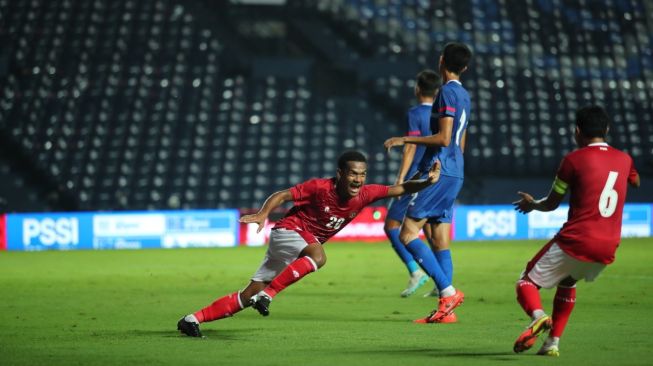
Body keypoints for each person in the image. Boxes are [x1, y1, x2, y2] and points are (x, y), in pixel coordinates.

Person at [177, 150, 441, 337]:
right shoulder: (319, 187)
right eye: (352, 174)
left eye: (362, 174)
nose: (358, 180)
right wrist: (263, 214)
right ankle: (268, 296)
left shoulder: (366, 193)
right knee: (319, 256)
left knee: (246, 297)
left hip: (295, 244)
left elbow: (400, 189)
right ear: (340, 174)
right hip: (288, 232)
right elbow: (283, 195)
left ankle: (192, 320)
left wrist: (427, 182)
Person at [511, 105, 640, 356]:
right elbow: (634, 181)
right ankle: (552, 343)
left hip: (577, 239)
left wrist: (532, 205)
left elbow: (551, 203)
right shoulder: (625, 159)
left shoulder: (573, 160)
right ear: (607, 130)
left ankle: (538, 317)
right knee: (568, 281)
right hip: (609, 244)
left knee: (525, 282)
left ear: (577, 131)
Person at [384, 42, 472, 323]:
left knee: (407, 234)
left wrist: (405, 139)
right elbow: (460, 140)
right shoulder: (465, 95)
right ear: (465, 67)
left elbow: (444, 138)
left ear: (442, 60)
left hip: (440, 170)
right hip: (455, 169)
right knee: (439, 239)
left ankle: (447, 292)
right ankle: (447, 311)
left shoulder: (446, 91)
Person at [384, 69, 439, 297]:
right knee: (430, 232)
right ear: (437, 93)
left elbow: (410, 146)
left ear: (417, 89)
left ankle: (415, 271)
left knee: (391, 226)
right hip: (437, 176)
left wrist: (400, 179)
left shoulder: (415, 113)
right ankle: (441, 282)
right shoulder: (441, 115)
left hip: (416, 177)